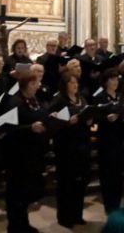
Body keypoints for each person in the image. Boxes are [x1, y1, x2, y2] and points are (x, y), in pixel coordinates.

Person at [3, 72, 50, 233]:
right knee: (16, 192)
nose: (38, 85)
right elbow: (8, 127)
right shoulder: (15, 101)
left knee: (25, 192)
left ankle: (23, 223)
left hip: (33, 153)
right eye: (36, 82)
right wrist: (30, 128)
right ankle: (15, 226)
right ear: (29, 84)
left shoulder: (34, 99)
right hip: (18, 155)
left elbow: (40, 115)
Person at [49, 72, 92, 227]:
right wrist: (68, 122)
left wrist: (89, 119)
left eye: (76, 82)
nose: (75, 85)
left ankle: (77, 214)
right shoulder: (59, 100)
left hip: (82, 144)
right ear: (65, 84)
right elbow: (52, 121)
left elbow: (87, 113)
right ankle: (65, 217)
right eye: (71, 83)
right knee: (66, 183)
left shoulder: (82, 99)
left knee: (80, 182)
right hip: (66, 147)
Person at [94, 69, 124, 214]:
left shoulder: (120, 96)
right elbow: (96, 117)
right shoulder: (100, 97)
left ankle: (117, 202)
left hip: (119, 138)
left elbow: (123, 114)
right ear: (106, 81)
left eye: (116, 79)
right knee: (107, 173)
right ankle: (109, 206)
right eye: (112, 79)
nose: (115, 82)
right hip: (106, 139)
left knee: (118, 172)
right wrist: (106, 118)